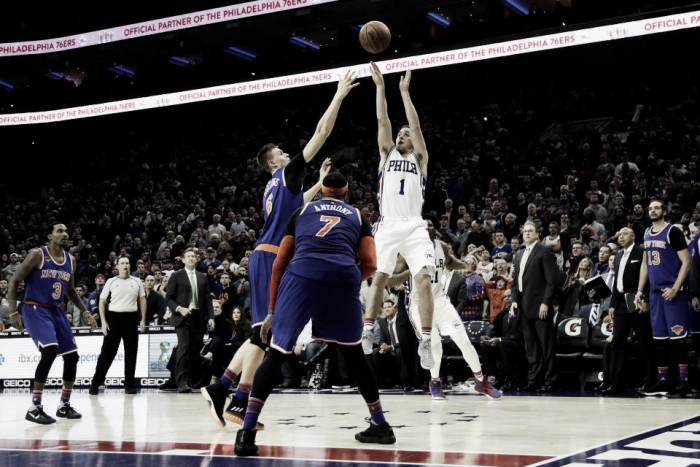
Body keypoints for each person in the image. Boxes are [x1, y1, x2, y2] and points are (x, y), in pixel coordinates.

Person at [200, 71, 359, 426]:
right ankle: (234, 395)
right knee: (264, 332)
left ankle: (228, 392)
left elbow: (298, 204)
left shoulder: (275, 186)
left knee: (262, 333)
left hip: (266, 253)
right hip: (272, 255)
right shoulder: (284, 173)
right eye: (282, 153)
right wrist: (338, 96)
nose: (288, 154)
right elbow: (321, 134)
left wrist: (319, 180)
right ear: (274, 163)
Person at [233, 171, 394, 456]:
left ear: (321, 192)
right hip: (343, 276)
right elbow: (370, 263)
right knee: (355, 354)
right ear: (346, 193)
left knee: (277, 352)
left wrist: (271, 310)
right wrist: (345, 280)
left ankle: (246, 431)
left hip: (302, 275)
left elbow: (279, 264)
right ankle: (380, 423)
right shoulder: (358, 216)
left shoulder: (301, 211)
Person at [363, 63, 436, 371]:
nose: (404, 135)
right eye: (401, 134)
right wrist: (380, 87)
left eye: (407, 134)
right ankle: (367, 328)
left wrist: (405, 93)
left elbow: (416, 128)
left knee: (423, 281)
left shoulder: (421, 160)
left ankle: (427, 341)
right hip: (389, 222)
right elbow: (382, 119)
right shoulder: (386, 155)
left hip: (415, 225)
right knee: (379, 276)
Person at [389, 215, 502, 401]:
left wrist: (465, 265)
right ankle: (435, 382)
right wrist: (413, 271)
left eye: (430, 225)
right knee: (434, 345)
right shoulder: (407, 250)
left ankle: (481, 381)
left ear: (436, 229)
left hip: (440, 300)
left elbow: (450, 263)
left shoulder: (440, 246)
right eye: (422, 226)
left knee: (463, 340)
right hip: (418, 304)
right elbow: (393, 278)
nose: (426, 229)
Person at [6, 222, 97, 424]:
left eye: (66, 231)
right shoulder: (37, 255)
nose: (65, 234)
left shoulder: (71, 260)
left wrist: (85, 311)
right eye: (60, 231)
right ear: (50, 236)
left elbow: (71, 291)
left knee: (72, 357)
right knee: (49, 351)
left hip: (56, 310)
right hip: (35, 307)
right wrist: (13, 312)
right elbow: (14, 281)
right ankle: (35, 407)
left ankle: (64, 405)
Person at [635, 200, 693, 397]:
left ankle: (684, 381)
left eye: (657, 207)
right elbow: (645, 264)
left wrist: (676, 287)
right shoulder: (646, 233)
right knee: (659, 339)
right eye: (650, 208)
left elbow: (686, 262)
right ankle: (663, 380)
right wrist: (640, 290)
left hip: (672, 293)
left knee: (678, 339)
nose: (652, 211)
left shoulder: (673, 232)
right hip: (655, 294)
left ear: (664, 211)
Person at [599, 227, 656, 395]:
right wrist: (613, 304)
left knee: (644, 342)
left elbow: (648, 277)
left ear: (633, 236)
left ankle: (650, 381)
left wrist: (644, 298)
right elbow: (618, 281)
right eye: (619, 235)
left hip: (637, 300)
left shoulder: (641, 252)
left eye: (624, 234)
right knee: (617, 343)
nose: (620, 237)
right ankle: (617, 383)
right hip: (621, 304)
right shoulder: (617, 256)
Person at [510, 221, 559, 392]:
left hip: (540, 307)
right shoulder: (519, 254)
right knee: (531, 347)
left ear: (538, 234)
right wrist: (514, 300)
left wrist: (546, 303)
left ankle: (550, 380)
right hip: (524, 306)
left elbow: (552, 282)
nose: (528, 233)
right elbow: (516, 282)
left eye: (531, 231)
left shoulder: (545, 251)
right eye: (525, 231)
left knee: (546, 345)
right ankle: (533, 380)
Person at [89, 255, 147, 395]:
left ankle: (129, 385)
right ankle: (95, 384)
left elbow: (142, 300)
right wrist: (103, 321)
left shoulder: (137, 281)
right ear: (117, 266)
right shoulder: (110, 281)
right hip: (113, 319)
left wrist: (143, 319)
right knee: (107, 354)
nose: (125, 265)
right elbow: (102, 302)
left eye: (127, 263)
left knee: (131, 354)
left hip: (131, 319)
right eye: (122, 263)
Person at [165, 247, 215, 392]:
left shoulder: (202, 276)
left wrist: (211, 317)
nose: (192, 258)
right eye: (189, 256)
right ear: (184, 259)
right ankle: (181, 383)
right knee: (184, 348)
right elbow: (168, 298)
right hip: (182, 317)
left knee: (193, 351)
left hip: (198, 317)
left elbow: (207, 299)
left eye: (194, 256)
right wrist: (179, 308)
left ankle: (187, 378)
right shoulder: (176, 275)